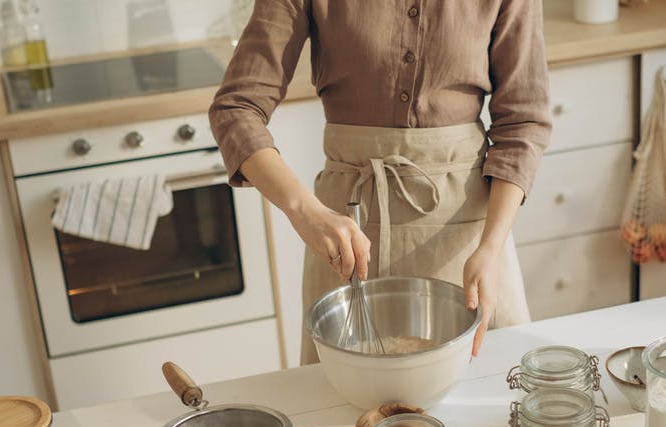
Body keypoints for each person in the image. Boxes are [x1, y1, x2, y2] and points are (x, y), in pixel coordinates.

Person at [210, 0, 551, 364]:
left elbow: (523, 121)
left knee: (495, 395)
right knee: (342, 408)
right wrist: (304, 211)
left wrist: (491, 248)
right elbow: (237, 108)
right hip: (346, 239)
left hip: (471, 244)